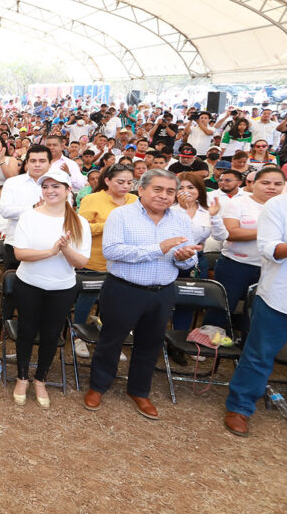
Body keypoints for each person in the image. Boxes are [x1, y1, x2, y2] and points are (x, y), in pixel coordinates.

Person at [223, 151, 287, 441]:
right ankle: (240, 407)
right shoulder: (281, 205)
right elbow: (270, 249)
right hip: (282, 296)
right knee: (259, 356)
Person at [85, 169, 200, 420]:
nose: (164, 196)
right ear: (142, 189)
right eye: (158, 189)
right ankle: (98, 386)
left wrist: (184, 259)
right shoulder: (122, 215)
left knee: (150, 343)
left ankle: (139, 390)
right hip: (124, 289)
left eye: (170, 191)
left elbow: (190, 256)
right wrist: (158, 249)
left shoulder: (180, 219)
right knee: (111, 341)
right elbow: (113, 251)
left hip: (162, 292)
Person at [9, 169, 90, 408]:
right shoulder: (30, 216)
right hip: (29, 285)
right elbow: (19, 253)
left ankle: (40, 379)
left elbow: (82, 262)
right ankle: (22, 377)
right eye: (46, 187)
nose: (50, 191)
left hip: (62, 288)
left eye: (56, 186)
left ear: (68, 190)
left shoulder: (79, 222)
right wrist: (50, 252)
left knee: (51, 334)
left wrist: (64, 250)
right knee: (26, 330)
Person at [72, 164, 137, 358]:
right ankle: (78, 336)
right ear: (107, 181)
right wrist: (109, 225)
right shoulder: (92, 199)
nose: (125, 186)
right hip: (96, 259)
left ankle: (110, 338)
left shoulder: (134, 200)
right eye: (120, 182)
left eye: (129, 182)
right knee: (87, 299)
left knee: (116, 302)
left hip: (124, 261)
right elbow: (81, 228)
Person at [212, 166, 286, 328]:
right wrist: (268, 232)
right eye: (265, 183)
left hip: (270, 268)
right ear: (253, 183)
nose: (272, 187)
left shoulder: (286, 207)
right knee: (221, 310)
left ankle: (246, 347)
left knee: (256, 314)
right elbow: (231, 233)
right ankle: (209, 348)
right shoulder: (238, 203)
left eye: (278, 184)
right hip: (235, 264)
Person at [0, 145, 51, 269]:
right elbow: (5, 211)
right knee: (15, 284)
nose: (37, 165)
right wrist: (33, 208)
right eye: (33, 161)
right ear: (26, 163)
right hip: (16, 243)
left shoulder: (58, 185)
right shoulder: (12, 183)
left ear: (50, 163)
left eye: (42, 161)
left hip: (49, 244)